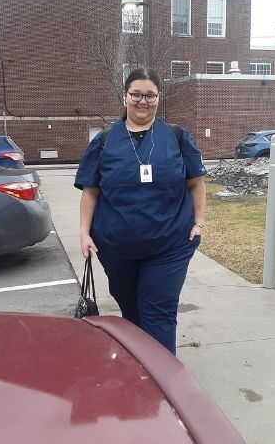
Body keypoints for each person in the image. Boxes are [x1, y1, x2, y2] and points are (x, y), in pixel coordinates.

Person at [74, 68, 207, 355]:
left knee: (158, 312)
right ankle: (137, 369)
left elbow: (196, 182)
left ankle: (162, 385)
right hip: (117, 247)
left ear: (159, 98)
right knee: (130, 309)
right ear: (125, 97)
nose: (142, 101)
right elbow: (90, 191)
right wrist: (84, 233)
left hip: (169, 245)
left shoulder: (176, 137)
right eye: (136, 94)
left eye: (150, 95)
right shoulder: (104, 141)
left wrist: (199, 223)